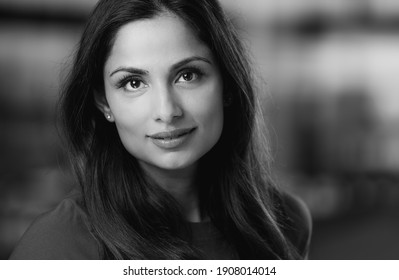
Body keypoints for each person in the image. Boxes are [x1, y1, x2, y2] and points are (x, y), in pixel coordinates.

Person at [9, 0, 311, 260]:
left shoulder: (285, 221)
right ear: (104, 102)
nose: (166, 112)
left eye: (188, 75)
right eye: (133, 83)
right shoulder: (59, 246)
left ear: (227, 84)